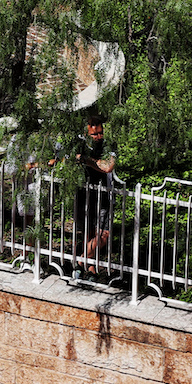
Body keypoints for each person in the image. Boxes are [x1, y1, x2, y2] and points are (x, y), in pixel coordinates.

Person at [73, 114, 116, 273]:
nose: (98, 137)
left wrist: (86, 160)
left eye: (100, 133)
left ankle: (80, 261)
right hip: (85, 193)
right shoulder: (80, 145)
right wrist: (92, 162)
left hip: (105, 194)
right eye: (94, 134)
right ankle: (89, 268)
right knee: (88, 233)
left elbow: (107, 166)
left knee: (103, 236)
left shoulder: (108, 145)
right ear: (86, 134)